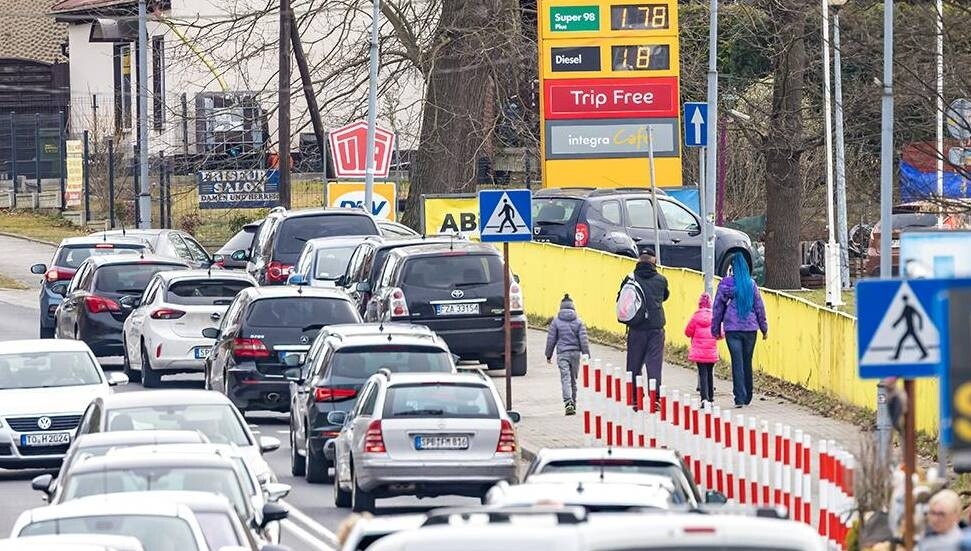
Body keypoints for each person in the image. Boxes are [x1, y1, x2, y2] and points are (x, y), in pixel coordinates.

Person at [711, 253, 767, 407]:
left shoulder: (725, 284)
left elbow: (717, 308)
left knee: (737, 362)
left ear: (732, 268)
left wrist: (715, 329)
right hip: (750, 329)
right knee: (747, 361)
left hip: (732, 329)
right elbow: (759, 308)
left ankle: (739, 397)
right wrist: (764, 329)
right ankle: (748, 394)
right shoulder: (751, 284)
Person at [620, 249, 669, 400]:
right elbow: (665, 296)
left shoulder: (630, 279)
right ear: (654, 261)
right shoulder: (661, 280)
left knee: (634, 363)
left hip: (637, 327)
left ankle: (634, 397)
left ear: (639, 261)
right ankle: (656, 399)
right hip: (656, 328)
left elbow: (622, 298)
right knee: (654, 365)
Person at [545, 293, 591, 416]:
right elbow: (584, 340)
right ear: (572, 307)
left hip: (562, 355)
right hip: (575, 354)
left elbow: (551, 339)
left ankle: (568, 402)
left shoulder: (556, 322)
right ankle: (573, 403)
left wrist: (548, 355)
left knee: (565, 378)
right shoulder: (579, 321)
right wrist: (586, 354)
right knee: (573, 380)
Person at [685, 292, 720, 405]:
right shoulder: (714, 317)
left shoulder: (696, 316)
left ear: (699, 304)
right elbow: (721, 333)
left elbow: (687, 332)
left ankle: (704, 398)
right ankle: (711, 398)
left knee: (702, 373)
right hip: (711, 351)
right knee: (710, 373)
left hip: (699, 352)